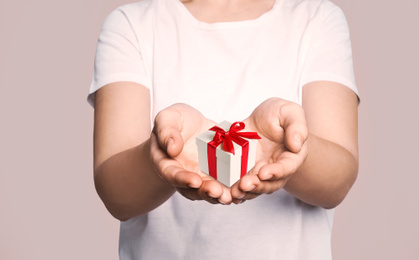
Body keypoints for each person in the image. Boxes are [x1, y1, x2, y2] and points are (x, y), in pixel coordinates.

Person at [88, 0, 359, 258]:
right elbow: (117, 196)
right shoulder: (132, 26)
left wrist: (292, 150)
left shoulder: (318, 20)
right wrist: (158, 156)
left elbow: (338, 183)